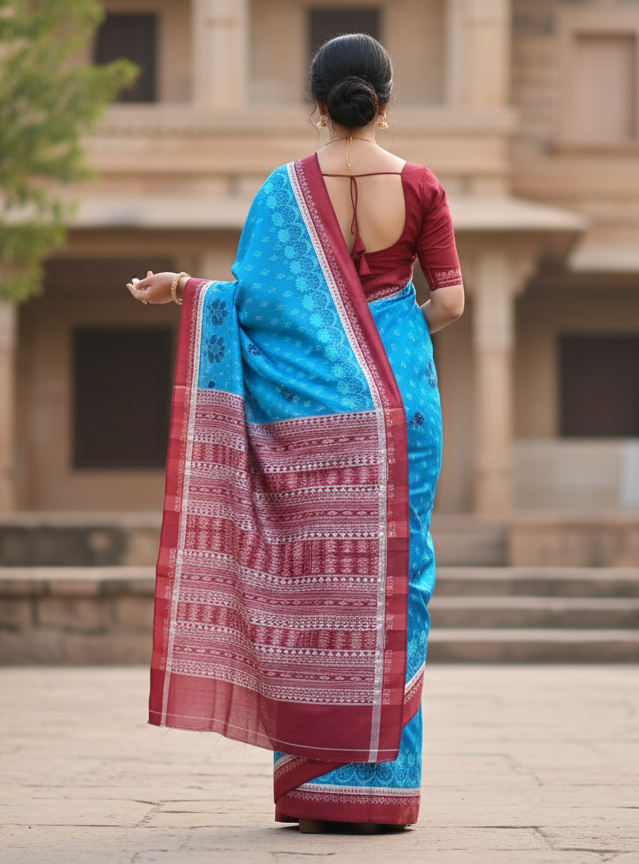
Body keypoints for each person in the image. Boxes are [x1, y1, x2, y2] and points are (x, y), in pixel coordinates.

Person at [127, 33, 464, 834]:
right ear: (386, 100)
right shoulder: (419, 186)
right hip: (402, 408)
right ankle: (382, 790)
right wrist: (388, 345)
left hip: (313, 416)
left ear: (317, 105)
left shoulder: (284, 192)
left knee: (316, 583)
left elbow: (256, 308)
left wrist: (182, 287)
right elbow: (449, 302)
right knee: (396, 579)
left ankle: (319, 781)